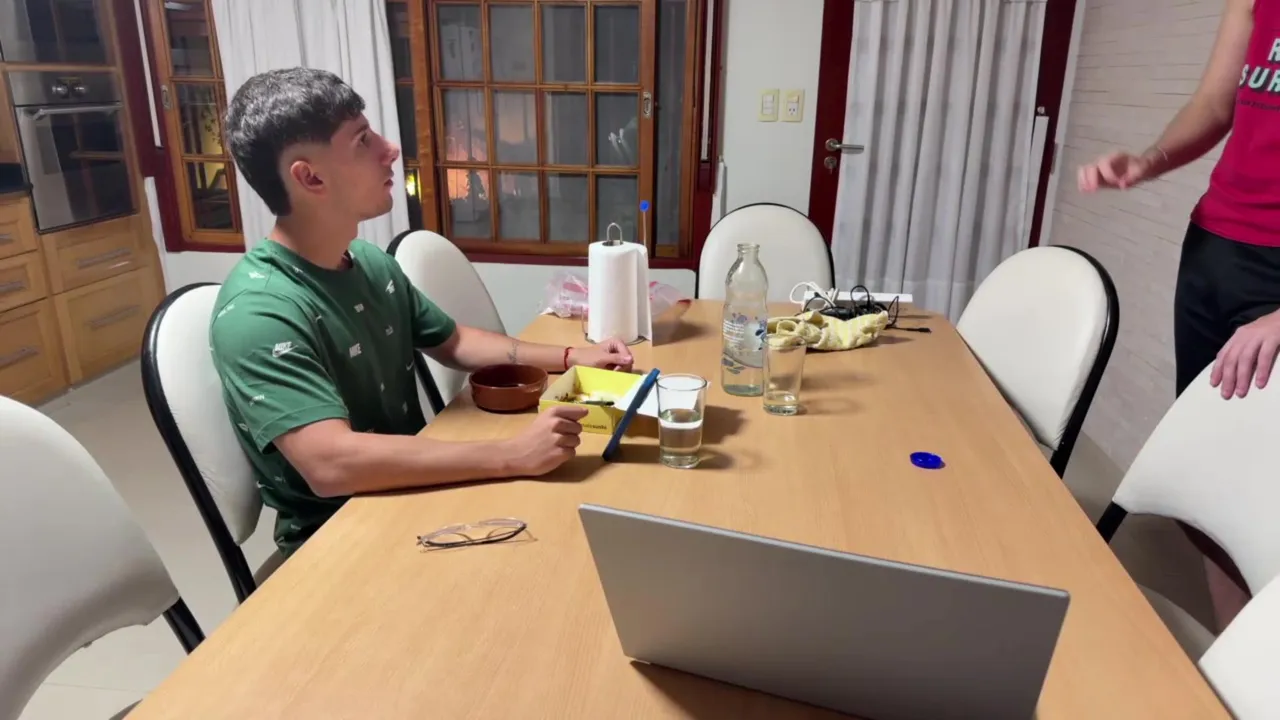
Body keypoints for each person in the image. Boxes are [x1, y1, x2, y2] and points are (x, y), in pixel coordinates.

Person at [210, 68, 633, 556]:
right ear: (310, 177)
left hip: (415, 492)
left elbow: (454, 341)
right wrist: (510, 454)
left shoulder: (367, 262)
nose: (390, 149)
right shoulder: (259, 314)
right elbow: (331, 465)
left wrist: (572, 357)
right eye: (362, 140)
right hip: (339, 539)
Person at [1077, 0, 1278, 630]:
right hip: (1216, 247)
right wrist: (1149, 160)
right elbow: (1216, 103)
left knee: (1264, 510)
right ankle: (1227, 654)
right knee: (1210, 487)